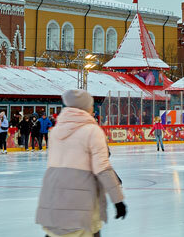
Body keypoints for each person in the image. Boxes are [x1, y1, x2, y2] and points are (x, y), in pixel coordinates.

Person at [35, 89, 126, 236]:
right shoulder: (92, 131)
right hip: (81, 205)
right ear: (86, 108)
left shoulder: (56, 130)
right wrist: (118, 200)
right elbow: (103, 169)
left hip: (52, 200)